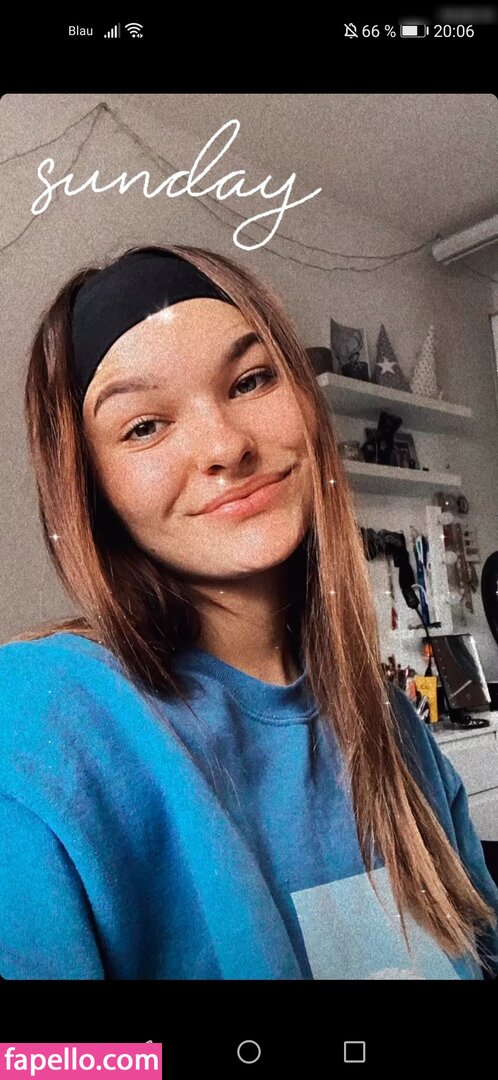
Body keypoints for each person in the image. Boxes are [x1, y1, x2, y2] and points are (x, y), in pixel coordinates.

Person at [0, 242, 497, 981]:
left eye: (251, 380)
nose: (226, 446)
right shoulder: (37, 723)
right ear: (92, 488)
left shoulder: (394, 724)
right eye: (145, 426)